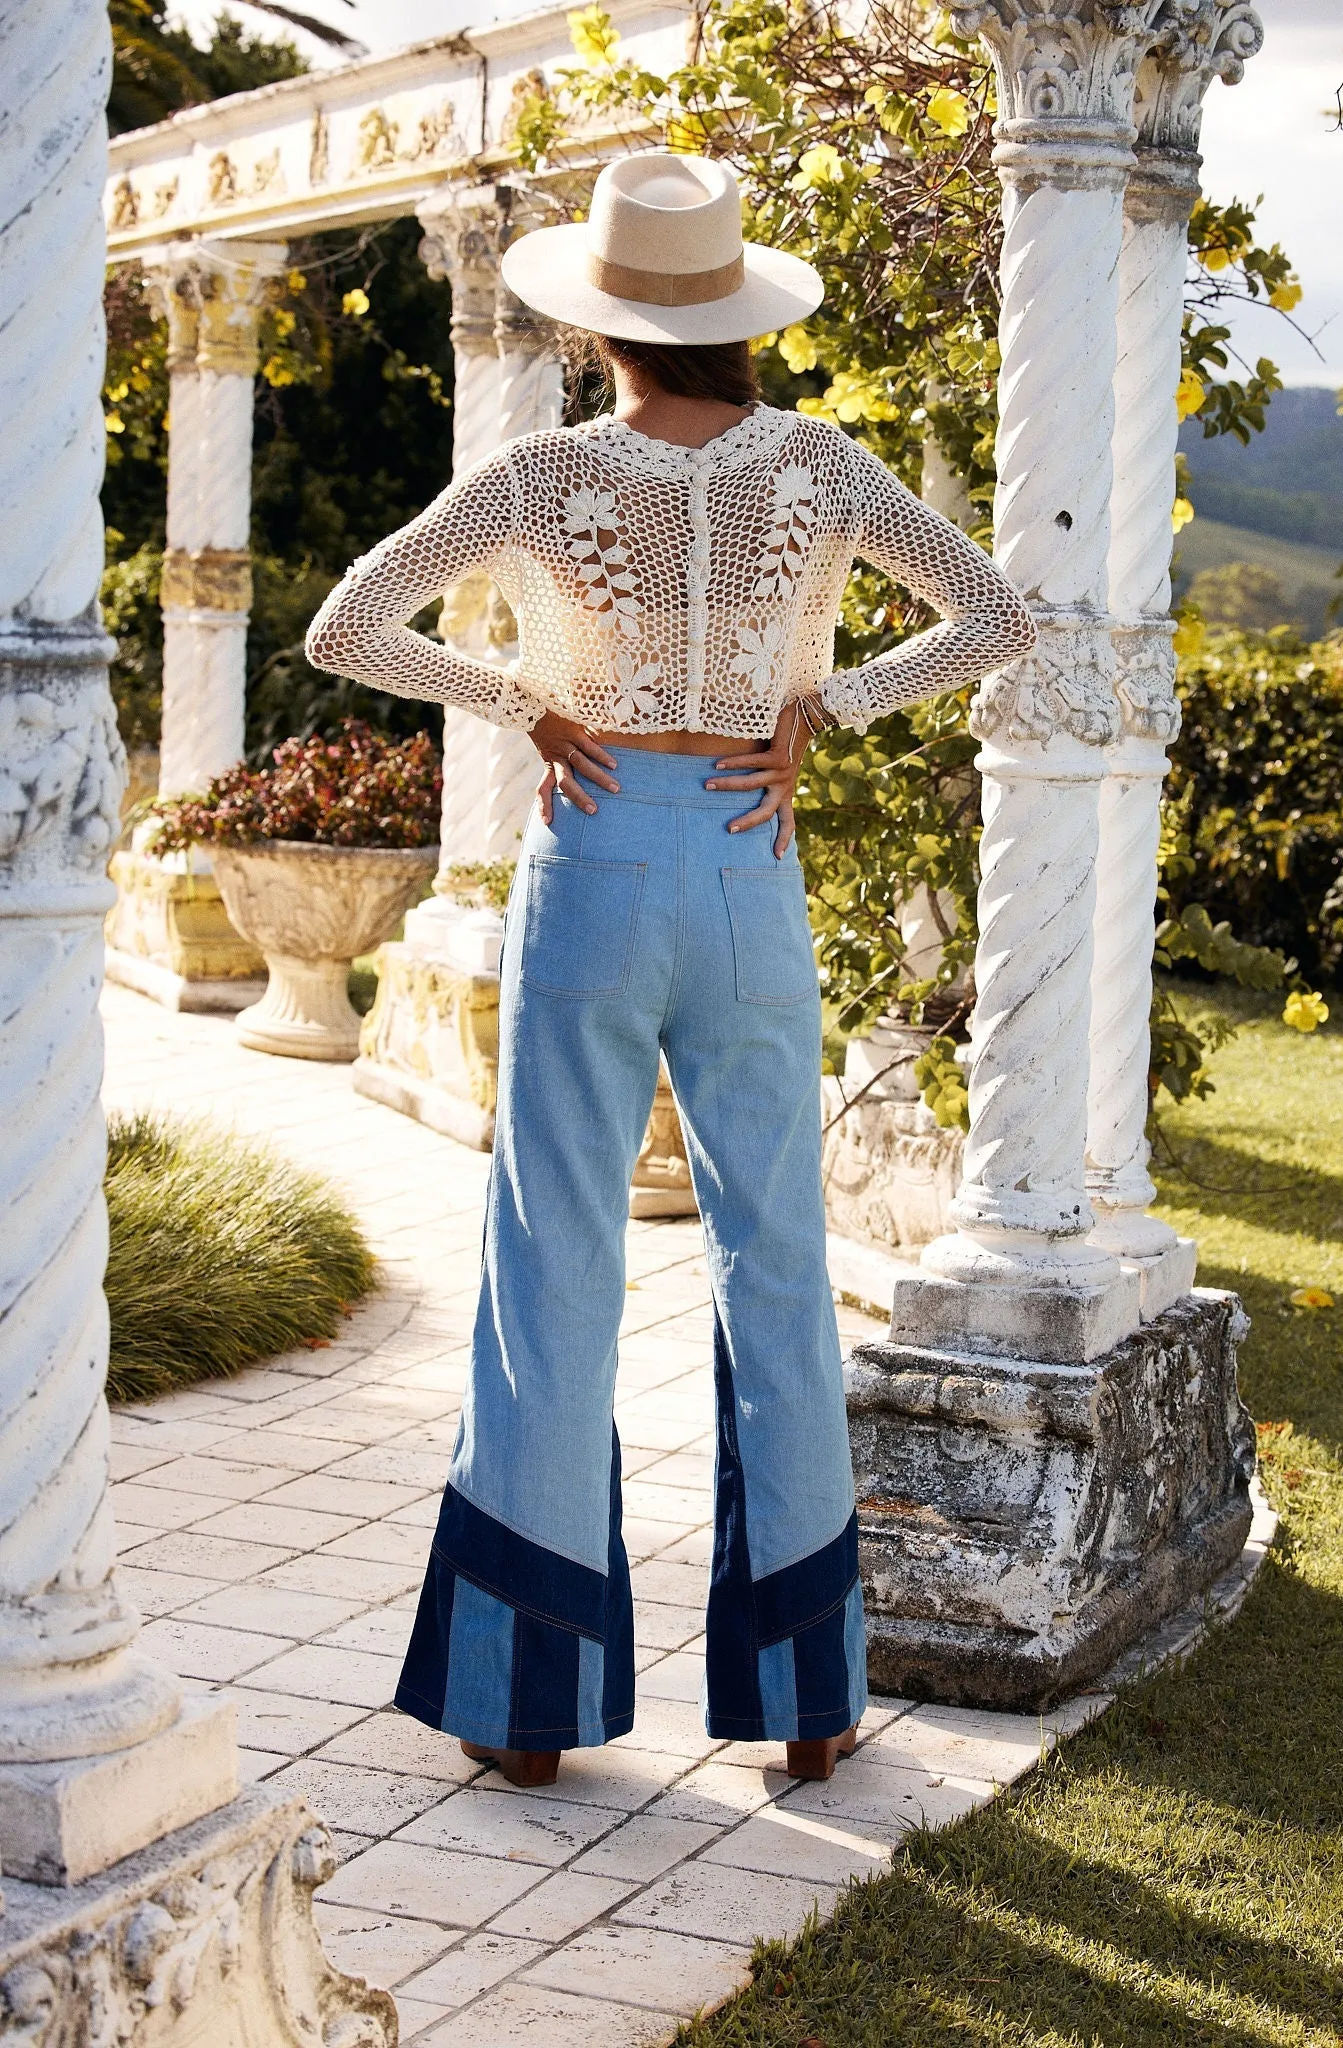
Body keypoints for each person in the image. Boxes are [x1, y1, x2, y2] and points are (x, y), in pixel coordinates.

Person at [305, 149, 1035, 1790]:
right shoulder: (821, 464)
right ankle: (807, 1701)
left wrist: (526, 704)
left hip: (596, 853)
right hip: (745, 856)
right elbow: (993, 612)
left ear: (603, 323)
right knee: (775, 1256)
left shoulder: (542, 472)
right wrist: (812, 714)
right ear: (734, 319)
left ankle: (525, 1703)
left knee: (553, 1255)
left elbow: (347, 625)